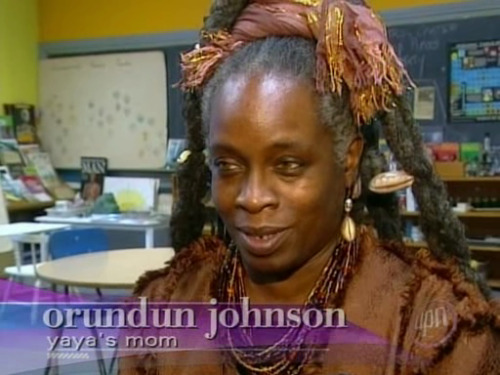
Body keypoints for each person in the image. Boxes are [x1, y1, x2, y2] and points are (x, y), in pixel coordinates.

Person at [119, 0, 499, 374]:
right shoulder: (162, 310)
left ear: (348, 162)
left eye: (288, 165)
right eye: (228, 165)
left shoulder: (433, 328)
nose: (252, 197)